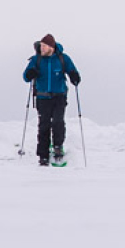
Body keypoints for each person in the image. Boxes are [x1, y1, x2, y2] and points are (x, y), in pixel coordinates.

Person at [23, 34, 81, 166]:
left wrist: (74, 77)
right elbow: (25, 77)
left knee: (58, 122)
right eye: (41, 46)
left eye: (44, 46)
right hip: (42, 97)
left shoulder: (63, 58)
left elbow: (73, 71)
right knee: (44, 125)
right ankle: (43, 155)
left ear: (51, 47)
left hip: (59, 96)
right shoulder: (36, 59)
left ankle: (58, 147)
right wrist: (30, 74)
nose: (41, 49)